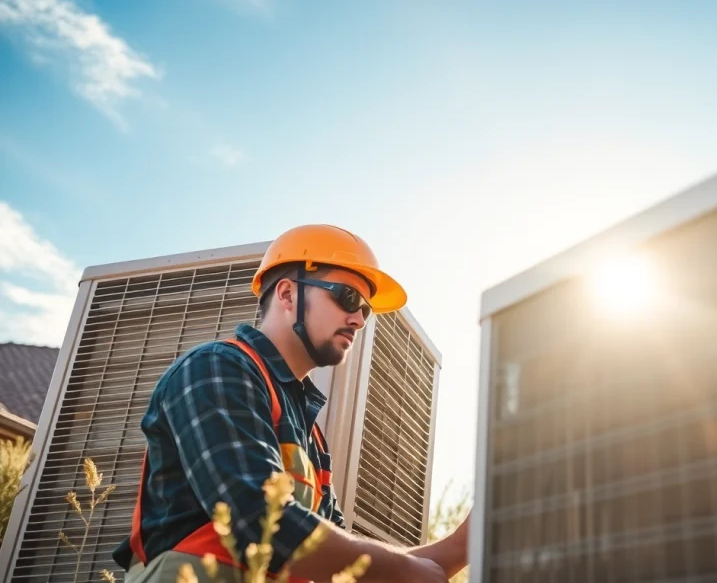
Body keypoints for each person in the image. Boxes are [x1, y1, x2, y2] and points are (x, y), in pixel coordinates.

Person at [113, 224, 469, 583]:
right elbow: (260, 518)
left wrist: (460, 546)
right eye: (347, 298)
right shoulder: (217, 368)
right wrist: (407, 572)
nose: (359, 319)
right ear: (287, 294)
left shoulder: (310, 432)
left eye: (366, 309)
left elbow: (340, 560)